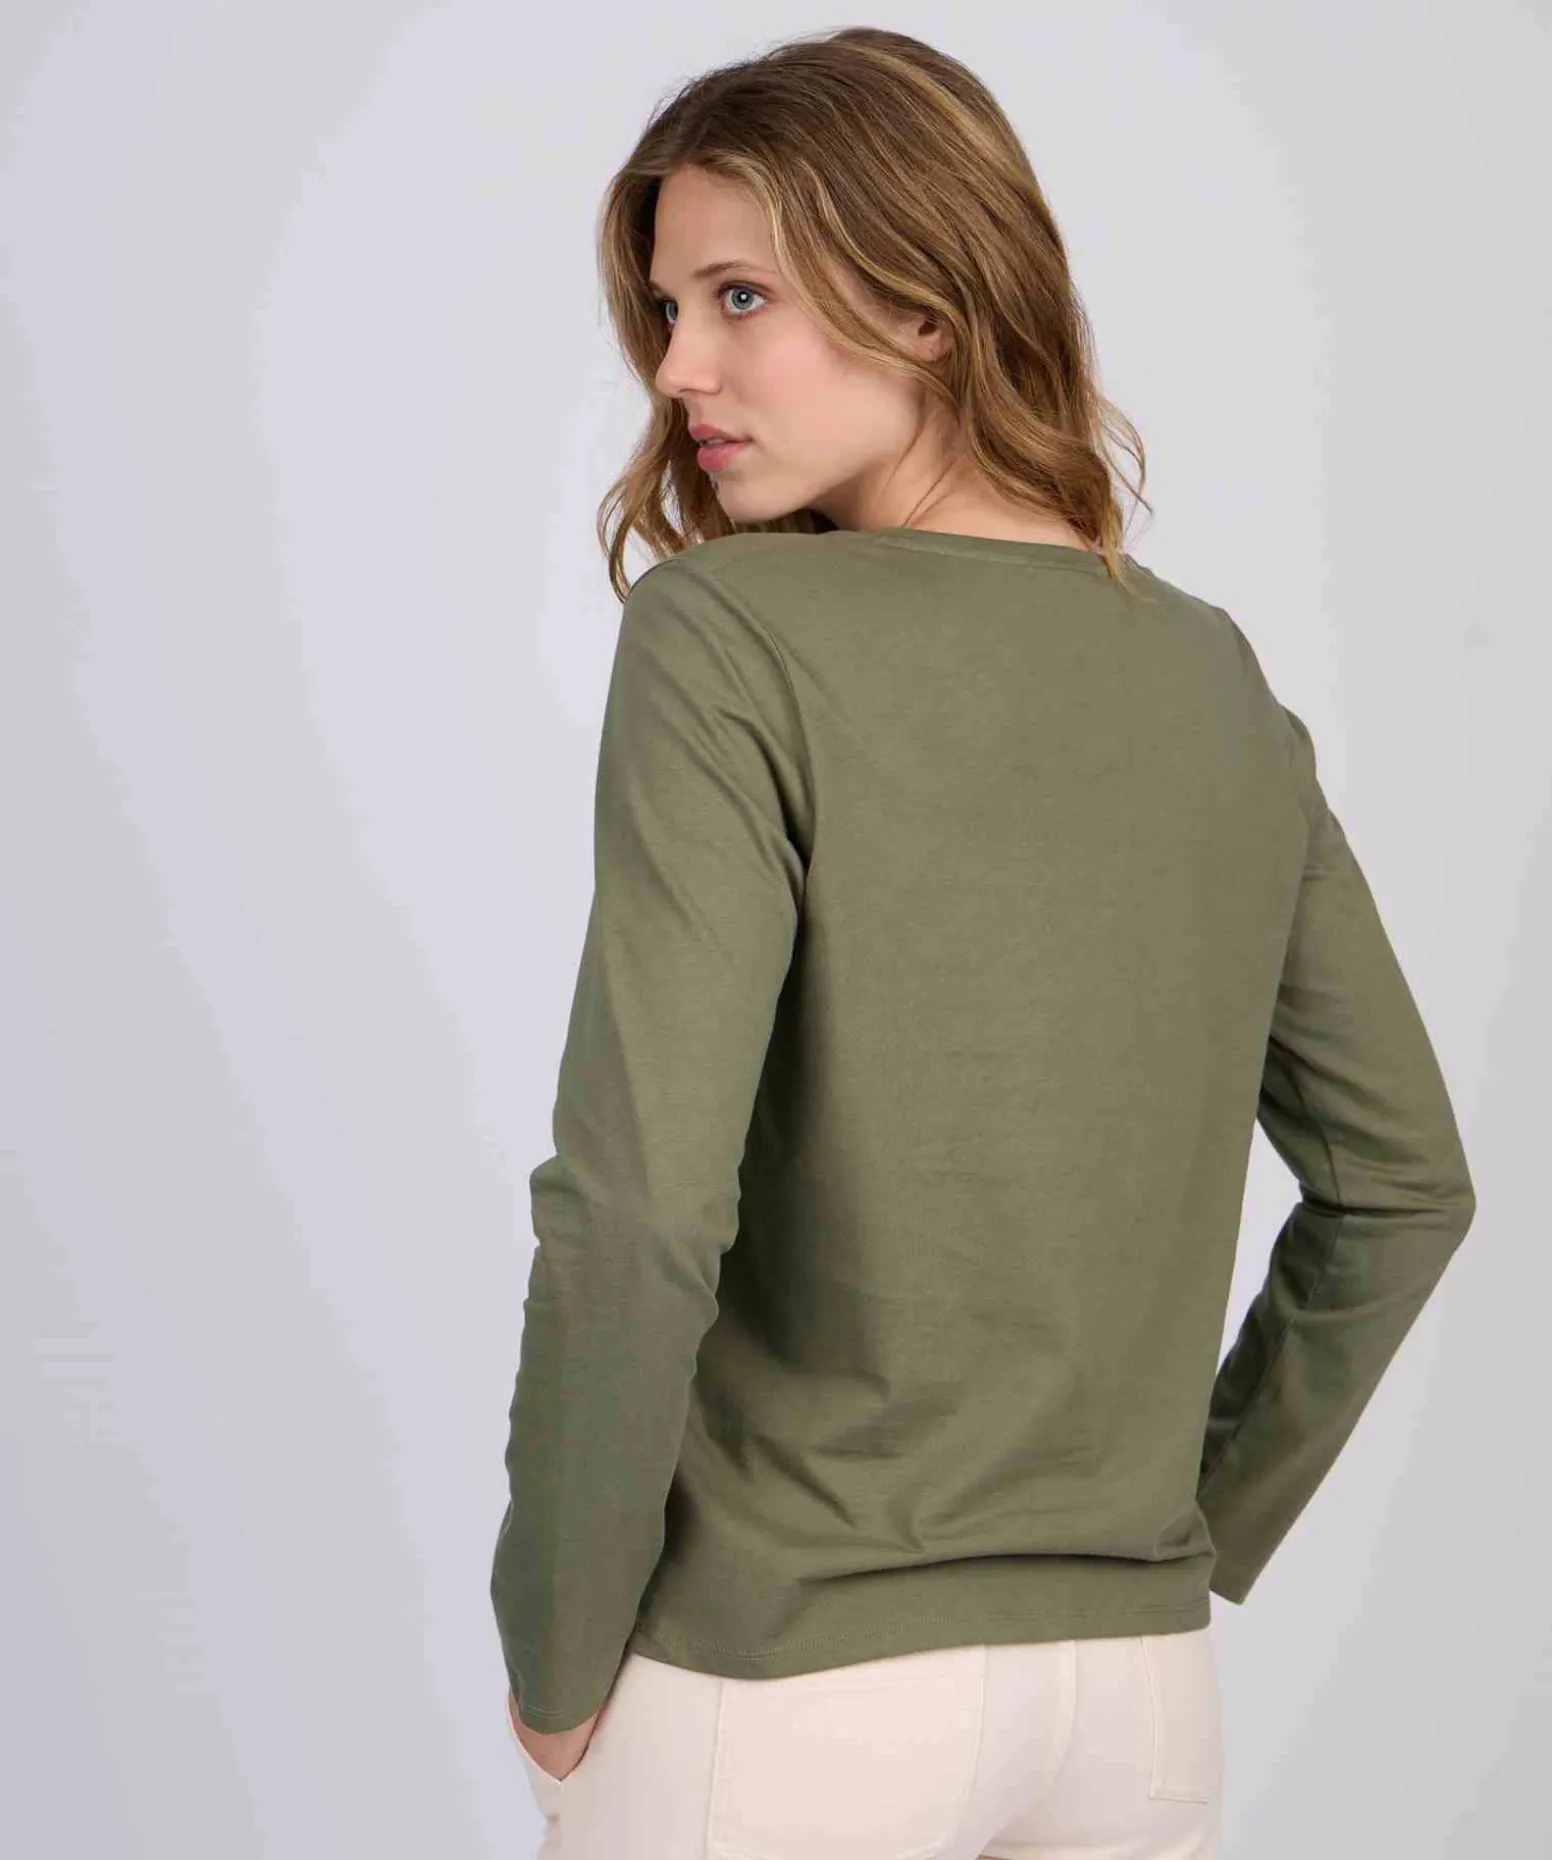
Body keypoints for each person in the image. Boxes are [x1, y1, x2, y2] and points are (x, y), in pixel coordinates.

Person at [490, 25, 1477, 1860]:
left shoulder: (729, 634)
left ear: (928, 306)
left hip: (784, 1689)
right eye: (671, 308)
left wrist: (554, 1643)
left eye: (740, 295)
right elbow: (1404, 1186)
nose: (681, 367)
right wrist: (1183, 1522)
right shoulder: (1208, 672)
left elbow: (635, 1214)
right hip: (1135, 1702)